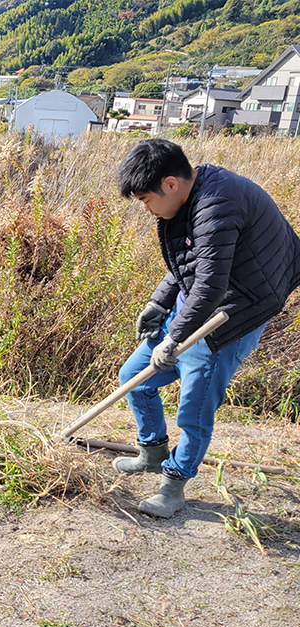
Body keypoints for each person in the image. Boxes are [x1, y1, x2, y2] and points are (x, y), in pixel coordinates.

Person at [113, 138, 300, 518]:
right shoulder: (189, 197)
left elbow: (211, 283)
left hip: (236, 309)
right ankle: (152, 451)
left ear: (170, 184)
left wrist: (176, 337)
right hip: (202, 299)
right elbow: (189, 266)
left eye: (146, 200)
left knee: (194, 409)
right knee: (133, 375)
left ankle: (174, 484)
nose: (147, 210)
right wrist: (159, 303)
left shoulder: (219, 204)